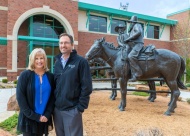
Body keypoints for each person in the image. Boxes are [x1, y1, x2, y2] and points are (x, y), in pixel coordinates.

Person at [53, 33, 92, 136]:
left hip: (72, 110)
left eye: (66, 42)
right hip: (57, 110)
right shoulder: (57, 63)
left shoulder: (81, 62)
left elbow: (87, 86)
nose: (63, 45)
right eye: (61, 43)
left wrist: (80, 107)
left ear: (72, 45)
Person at [16, 48, 55, 136]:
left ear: (45, 59)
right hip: (29, 119)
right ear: (32, 60)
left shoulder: (51, 77)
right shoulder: (25, 75)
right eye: (36, 58)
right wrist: (36, 117)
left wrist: (47, 114)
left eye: (41, 58)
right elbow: (20, 98)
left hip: (44, 118)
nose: (39, 61)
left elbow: (53, 97)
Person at [124, 15, 144, 82]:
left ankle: (138, 73)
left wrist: (128, 38)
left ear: (133, 22)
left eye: (131, 22)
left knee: (131, 56)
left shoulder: (137, 25)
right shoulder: (131, 29)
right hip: (132, 45)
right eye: (131, 22)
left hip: (138, 44)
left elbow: (138, 32)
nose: (131, 23)